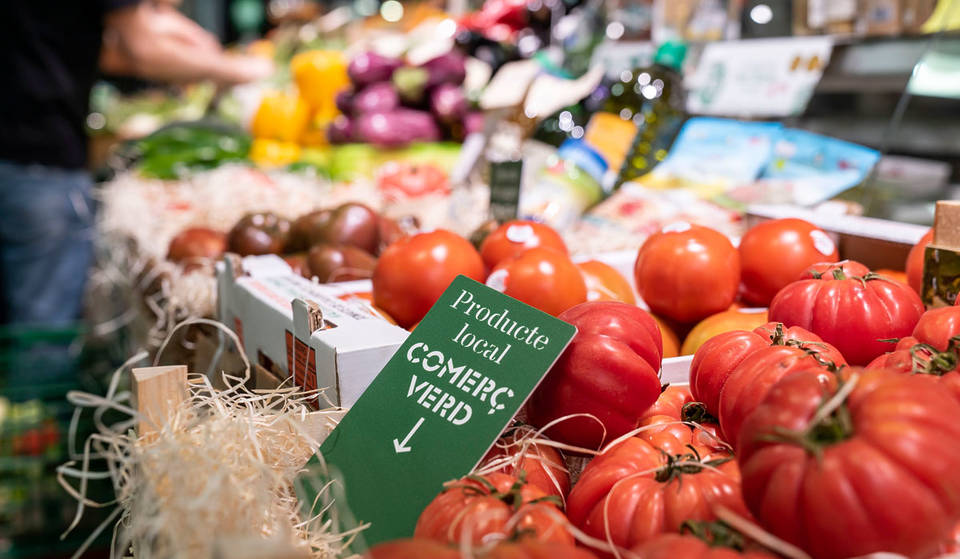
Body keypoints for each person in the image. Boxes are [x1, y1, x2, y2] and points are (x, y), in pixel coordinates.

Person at [0, 1, 272, 327]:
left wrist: (189, 39)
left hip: (22, 149)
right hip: (41, 157)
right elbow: (140, 48)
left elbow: (132, 24)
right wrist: (237, 69)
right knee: (44, 326)